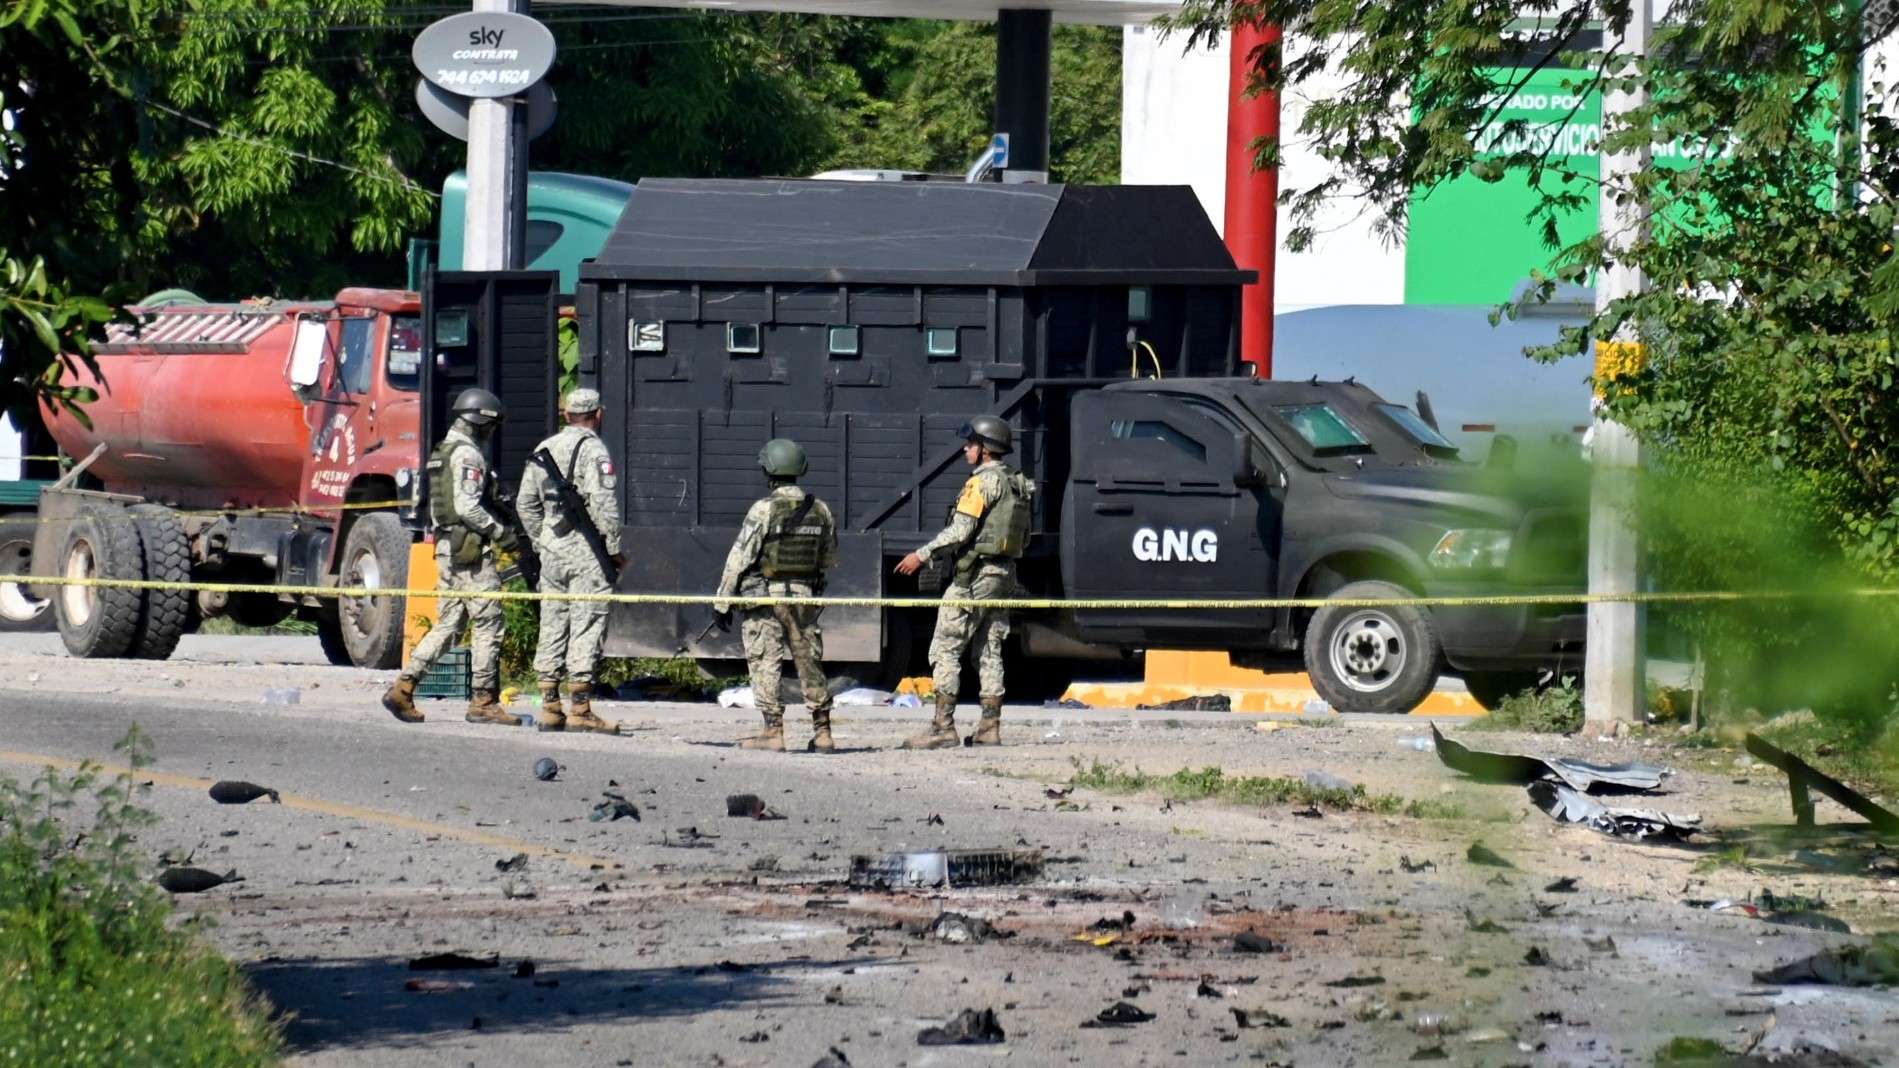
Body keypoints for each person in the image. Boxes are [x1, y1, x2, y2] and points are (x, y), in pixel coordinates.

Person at [383, 387, 520, 727]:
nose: (492, 433)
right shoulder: (468, 455)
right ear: (480, 422)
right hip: (470, 550)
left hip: (448, 548)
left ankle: (404, 686)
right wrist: (503, 533)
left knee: (450, 624)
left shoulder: (442, 451)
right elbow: (467, 507)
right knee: (489, 622)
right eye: (491, 426)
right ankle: (484, 701)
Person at [894, 415, 1033, 748]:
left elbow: (961, 531)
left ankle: (942, 728)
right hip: (1003, 574)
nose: (965, 449)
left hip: (975, 575)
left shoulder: (981, 483)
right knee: (989, 649)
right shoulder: (1017, 482)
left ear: (986, 450)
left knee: (945, 648)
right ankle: (989, 726)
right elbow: (1023, 536)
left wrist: (922, 555)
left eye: (971, 444)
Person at [713, 438, 839, 752]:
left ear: (770, 470)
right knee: (810, 663)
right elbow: (828, 558)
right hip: (804, 599)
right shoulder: (820, 509)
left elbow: (739, 558)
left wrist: (722, 602)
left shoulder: (763, 509)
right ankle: (823, 733)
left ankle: (773, 733)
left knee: (765, 662)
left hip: (766, 600)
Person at [519, 388, 627, 734]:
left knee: (552, 620)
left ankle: (550, 705)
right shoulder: (594, 450)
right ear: (598, 415)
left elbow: (526, 504)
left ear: (566, 414)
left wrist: (542, 540)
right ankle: (580, 707)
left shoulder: (543, 449)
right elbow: (604, 503)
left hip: (551, 553)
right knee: (587, 620)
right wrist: (612, 548)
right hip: (587, 553)